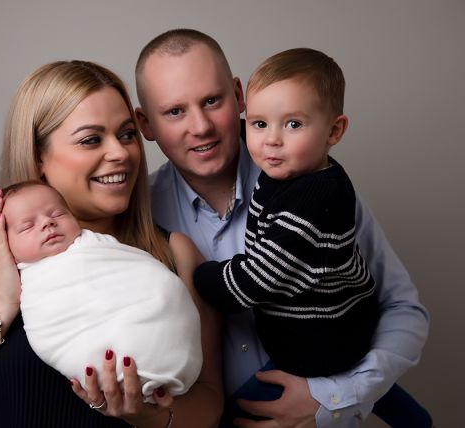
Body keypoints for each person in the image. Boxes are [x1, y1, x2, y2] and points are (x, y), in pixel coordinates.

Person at [0, 60, 223, 428]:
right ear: (38, 157)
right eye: (91, 139)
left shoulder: (174, 253)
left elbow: (208, 402)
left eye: (127, 134)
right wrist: (2, 301)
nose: (121, 153)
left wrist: (148, 417)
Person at [134, 29, 430, 427]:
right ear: (145, 123)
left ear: (239, 95)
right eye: (174, 111)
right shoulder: (140, 219)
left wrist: (333, 400)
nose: (200, 126)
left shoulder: (314, 184)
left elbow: (403, 309)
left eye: (211, 101)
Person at [194, 47, 379, 379]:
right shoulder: (293, 170)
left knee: (247, 408)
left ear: (334, 132)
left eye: (294, 124)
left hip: (323, 343)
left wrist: (199, 277)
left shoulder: (313, 198)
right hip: (321, 329)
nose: (271, 140)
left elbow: (256, 280)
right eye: (260, 123)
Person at [1, 180, 202, 401]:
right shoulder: (27, 281)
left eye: (58, 214)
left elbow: (148, 280)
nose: (48, 223)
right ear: (4, 243)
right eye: (27, 226)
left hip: (155, 323)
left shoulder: (99, 247)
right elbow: (51, 326)